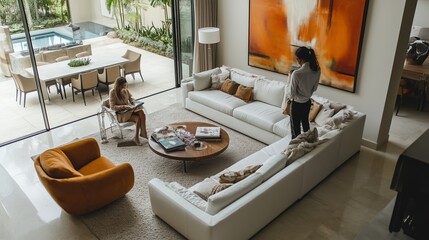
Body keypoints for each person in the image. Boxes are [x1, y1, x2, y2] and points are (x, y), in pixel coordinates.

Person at [289, 46, 321, 139]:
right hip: (307, 103)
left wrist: (289, 80)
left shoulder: (297, 73)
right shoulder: (317, 70)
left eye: (297, 59)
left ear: (300, 59)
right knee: (306, 126)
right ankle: (307, 145)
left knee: (295, 131)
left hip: (296, 105)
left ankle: (295, 149)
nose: (297, 61)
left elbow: (291, 94)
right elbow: (314, 89)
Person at [109, 77, 147, 145]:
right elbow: (112, 107)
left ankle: (138, 136)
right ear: (118, 85)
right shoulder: (112, 92)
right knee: (139, 114)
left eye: (125, 85)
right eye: (123, 86)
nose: (124, 87)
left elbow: (131, 97)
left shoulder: (125, 90)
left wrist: (132, 102)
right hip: (121, 115)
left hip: (128, 111)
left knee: (141, 113)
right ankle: (142, 133)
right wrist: (124, 106)